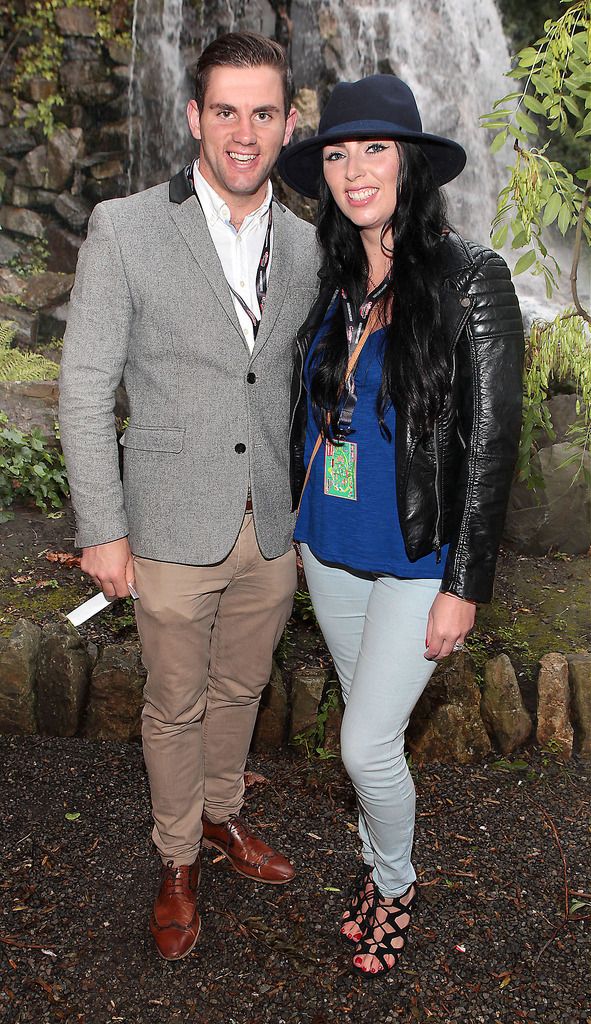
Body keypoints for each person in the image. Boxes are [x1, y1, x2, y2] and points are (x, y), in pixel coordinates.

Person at [59, 31, 319, 961]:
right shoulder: (125, 227)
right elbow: (85, 387)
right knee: (173, 701)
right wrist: (103, 530)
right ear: (193, 117)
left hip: (271, 523)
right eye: (225, 111)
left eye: (262, 113)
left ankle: (219, 816)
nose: (243, 133)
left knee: (241, 686)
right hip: (167, 522)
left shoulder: (306, 241)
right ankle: (175, 858)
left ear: (287, 122)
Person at [278, 74, 524, 976]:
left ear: (410, 164)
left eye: (373, 149)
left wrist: (465, 584)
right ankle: (383, 864)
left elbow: (493, 444)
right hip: (331, 548)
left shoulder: (472, 278)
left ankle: (395, 880)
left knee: (363, 743)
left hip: (419, 555)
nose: (352, 170)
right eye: (337, 154)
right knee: (367, 726)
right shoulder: (333, 277)